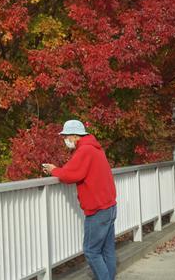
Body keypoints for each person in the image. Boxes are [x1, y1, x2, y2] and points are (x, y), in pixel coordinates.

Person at [42, 120, 117, 280]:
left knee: (91, 251)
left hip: (97, 210)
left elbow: (71, 175)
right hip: (109, 206)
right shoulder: (96, 148)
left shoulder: (85, 150)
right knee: (107, 251)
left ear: (75, 136)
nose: (64, 139)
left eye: (66, 136)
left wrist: (54, 170)